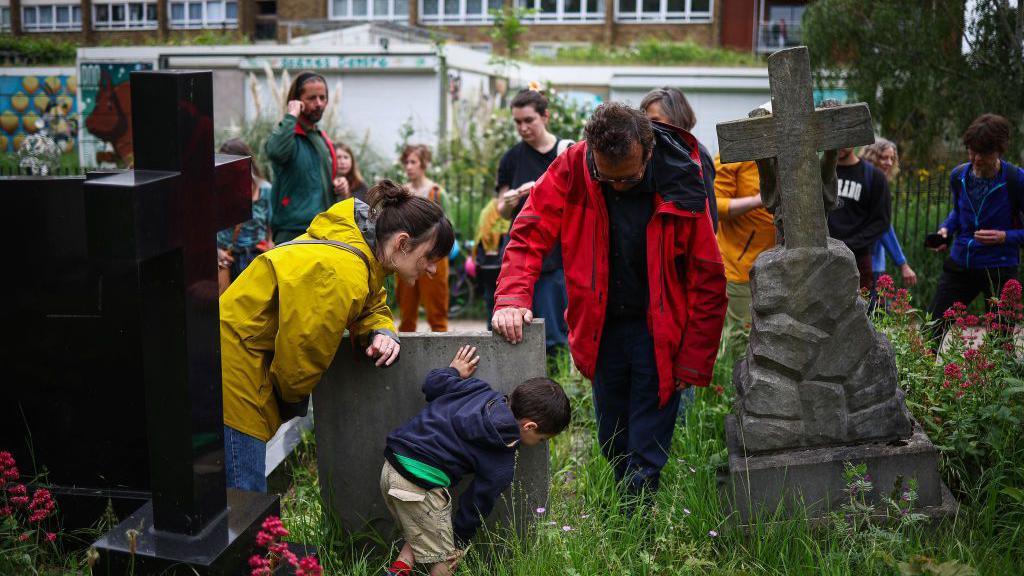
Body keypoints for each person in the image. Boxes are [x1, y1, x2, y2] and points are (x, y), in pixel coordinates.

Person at [491, 102, 727, 503]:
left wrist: (693, 360)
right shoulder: (575, 166)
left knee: (647, 444)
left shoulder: (681, 178)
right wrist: (513, 295)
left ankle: (637, 527)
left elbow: (707, 277)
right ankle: (624, 509)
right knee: (612, 436)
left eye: (629, 177)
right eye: (606, 176)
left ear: (647, 151)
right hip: (601, 328)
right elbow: (530, 231)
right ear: (591, 153)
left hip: (661, 331)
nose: (617, 186)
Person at [220, 180, 454, 492]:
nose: (433, 271)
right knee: (243, 496)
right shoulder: (341, 274)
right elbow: (299, 363)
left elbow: (370, 301)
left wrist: (380, 329)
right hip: (235, 367)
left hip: (235, 350)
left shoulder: (357, 246)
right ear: (402, 243)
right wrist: (286, 401)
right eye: (429, 258)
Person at [381, 345, 570, 576]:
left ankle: (399, 570)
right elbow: (475, 506)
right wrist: (460, 541)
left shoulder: (478, 390)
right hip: (419, 486)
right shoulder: (503, 458)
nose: (540, 444)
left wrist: (452, 371)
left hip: (392, 467)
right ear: (529, 426)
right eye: (541, 439)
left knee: (424, 527)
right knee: (447, 558)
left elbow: (431, 385)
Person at [928, 113, 1023, 342]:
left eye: (984, 153)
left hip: (999, 268)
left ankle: (994, 379)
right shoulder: (959, 175)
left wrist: (1005, 237)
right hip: (961, 262)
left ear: (999, 150)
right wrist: (945, 230)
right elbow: (958, 213)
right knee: (932, 328)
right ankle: (925, 376)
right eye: (972, 150)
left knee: (1000, 342)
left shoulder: (1015, 180)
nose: (976, 158)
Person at [495, 89, 573, 356]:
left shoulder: (566, 153)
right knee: (515, 326)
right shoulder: (511, 158)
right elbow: (501, 210)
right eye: (517, 122)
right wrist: (513, 198)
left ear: (545, 116)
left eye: (529, 120)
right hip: (520, 250)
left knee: (555, 332)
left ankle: (556, 381)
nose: (523, 128)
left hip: (556, 254)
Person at [265, 71, 341, 244]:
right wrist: (291, 115)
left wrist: (339, 187)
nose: (319, 104)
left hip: (322, 230)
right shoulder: (287, 135)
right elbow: (276, 152)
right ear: (297, 101)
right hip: (293, 232)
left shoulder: (321, 137)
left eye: (323, 98)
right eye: (312, 98)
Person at [713, 155, 774, 352]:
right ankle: (733, 382)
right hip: (741, 268)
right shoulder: (732, 157)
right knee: (742, 341)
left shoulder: (787, 153)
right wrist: (758, 200)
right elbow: (715, 205)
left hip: (781, 267)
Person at [640, 87, 718, 231]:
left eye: (655, 120)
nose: (649, 127)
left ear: (676, 119)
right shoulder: (649, 153)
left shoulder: (697, 155)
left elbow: (710, 217)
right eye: (644, 121)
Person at [397, 144, 451, 332]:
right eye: (406, 162)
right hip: (407, 256)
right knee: (406, 312)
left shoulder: (436, 193)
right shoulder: (402, 193)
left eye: (413, 162)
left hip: (433, 256)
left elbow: (447, 229)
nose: (409, 166)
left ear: (424, 164)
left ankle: (444, 353)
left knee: (437, 312)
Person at [826, 145, 892, 293]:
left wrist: (850, 245)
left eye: (845, 139)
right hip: (822, 257)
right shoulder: (820, 173)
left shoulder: (874, 177)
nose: (840, 144)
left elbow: (882, 221)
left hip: (858, 260)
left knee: (859, 311)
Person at [216, 138, 273, 290]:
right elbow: (204, 229)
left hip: (257, 260)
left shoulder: (265, 190)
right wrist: (217, 252)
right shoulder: (218, 191)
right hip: (227, 261)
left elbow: (270, 229)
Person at [859, 138, 917, 287]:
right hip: (868, 261)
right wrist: (902, 263)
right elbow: (884, 228)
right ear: (872, 157)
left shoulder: (875, 183)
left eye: (892, 158)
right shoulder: (870, 185)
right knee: (874, 308)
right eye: (884, 158)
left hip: (875, 260)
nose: (889, 163)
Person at [471, 198, 509, 329]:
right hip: (502, 267)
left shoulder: (486, 212)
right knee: (503, 301)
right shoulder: (508, 217)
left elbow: (479, 237)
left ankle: (490, 330)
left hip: (486, 266)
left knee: (490, 301)